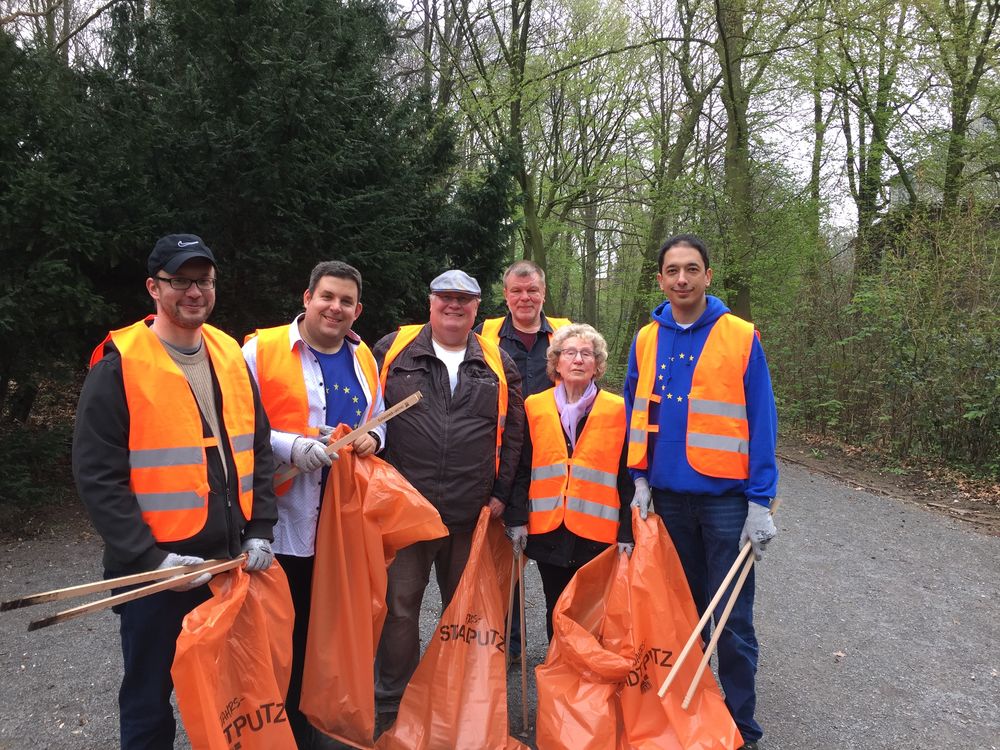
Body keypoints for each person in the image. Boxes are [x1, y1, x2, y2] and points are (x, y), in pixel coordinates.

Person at [72, 234, 278, 750]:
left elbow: (258, 448)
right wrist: (151, 559)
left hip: (228, 562)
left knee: (234, 695)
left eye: (203, 280)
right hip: (155, 575)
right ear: (153, 287)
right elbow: (98, 476)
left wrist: (260, 530)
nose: (194, 291)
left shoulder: (229, 353)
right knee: (148, 698)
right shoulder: (118, 364)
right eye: (180, 280)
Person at [624, 233, 778, 750]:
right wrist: (639, 478)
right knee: (678, 618)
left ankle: (740, 728)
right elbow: (634, 413)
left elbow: (761, 420)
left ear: (708, 276)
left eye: (692, 269)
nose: (682, 279)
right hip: (666, 501)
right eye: (672, 270)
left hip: (726, 505)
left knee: (730, 620)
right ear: (661, 278)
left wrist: (761, 502)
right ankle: (689, 714)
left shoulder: (739, 335)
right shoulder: (646, 339)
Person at [372, 269, 525, 732]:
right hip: (406, 513)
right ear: (431, 301)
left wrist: (500, 494)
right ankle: (391, 705)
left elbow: (514, 433)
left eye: (465, 299)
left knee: (463, 615)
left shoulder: (499, 362)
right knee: (399, 610)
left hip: (470, 514)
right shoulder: (392, 349)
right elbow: (367, 416)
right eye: (445, 297)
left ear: (478, 307)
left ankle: (453, 700)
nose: (454, 305)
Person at [242, 260, 385, 748]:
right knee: (276, 634)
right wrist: (290, 446)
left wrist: (372, 440)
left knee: (321, 631)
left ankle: (311, 725)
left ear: (357, 309)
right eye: (327, 296)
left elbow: (378, 417)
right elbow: (239, 424)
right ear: (307, 298)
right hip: (280, 520)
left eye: (346, 301)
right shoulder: (260, 352)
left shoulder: (364, 358)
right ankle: (272, 729)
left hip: (342, 522)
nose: (335, 308)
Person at [505, 323, 634, 639]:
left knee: (591, 611)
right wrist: (517, 519)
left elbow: (627, 476)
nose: (578, 359)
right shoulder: (534, 406)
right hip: (549, 530)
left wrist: (628, 531)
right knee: (557, 607)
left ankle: (587, 679)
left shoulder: (619, 410)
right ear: (556, 362)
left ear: (597, 365)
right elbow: (523, 468)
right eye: (570, 353)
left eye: (587, 354)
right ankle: (558, 676)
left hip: (598, 535)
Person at [476, 259, 571, 658]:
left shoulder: (566, 335)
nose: (525, 298)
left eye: (532, 290)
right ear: (505, 295)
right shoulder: (486, 334)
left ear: (543, 293)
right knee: (502, 565)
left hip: (552, 465)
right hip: (502, 463)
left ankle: (563, 649)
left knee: (557, 562)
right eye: (516, 291)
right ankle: (508, 644)